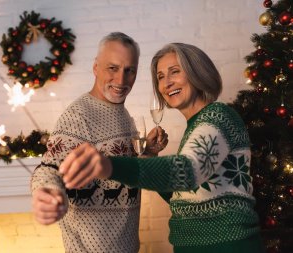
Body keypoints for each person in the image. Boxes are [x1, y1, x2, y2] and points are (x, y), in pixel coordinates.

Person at [60, 43, 265, 253]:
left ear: (197, 72)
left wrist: (109, 166)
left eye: (175, 72)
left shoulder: (218, 116)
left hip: (226, 246)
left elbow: (186, 171)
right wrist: (149, 158)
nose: (166, 83)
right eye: (160, 76)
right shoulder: (197, 126)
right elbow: (183, 195)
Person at [31, 32, 167, 253]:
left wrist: (149, 152)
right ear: (96, 68)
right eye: (112, 68)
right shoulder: (78, 116)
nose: (121, 80)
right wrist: (45, 192)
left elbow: (123, 175)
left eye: (129, 70)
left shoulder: (123, 114)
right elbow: (48, 169)